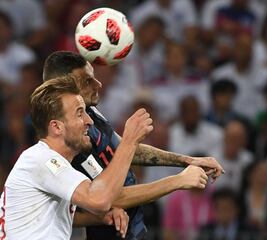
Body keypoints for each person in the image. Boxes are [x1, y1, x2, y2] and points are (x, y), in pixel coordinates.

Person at [42, 51, 224, 240]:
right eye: (87, 81)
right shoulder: (66, 139)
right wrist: (178, 181)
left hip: (129, 229)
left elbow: (121, 149)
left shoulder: (91, 113)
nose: (98, 84)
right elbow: (108, 198)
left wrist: (187, 161)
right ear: (62, 86)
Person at [0, 76, 148, 239]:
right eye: (79, 114)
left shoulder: (54, 163)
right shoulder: (42, 159)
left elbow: (54, 216)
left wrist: (98, 218)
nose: (89, 120)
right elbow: (99, 200)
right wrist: (129, 142)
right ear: (56, 127)